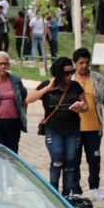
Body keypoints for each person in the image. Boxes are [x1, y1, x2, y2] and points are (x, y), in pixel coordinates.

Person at [26, 56, 85, 196]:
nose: (70, 76)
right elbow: (29, 99)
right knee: (57, 158)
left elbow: (86, 105)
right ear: (58, 72)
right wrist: (47, 88)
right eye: (66, 73)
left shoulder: (75, 86)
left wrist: (80, 108)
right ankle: (53, 192)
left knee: (71, 161)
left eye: (72, 72)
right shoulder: (48, 84)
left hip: (72, 128)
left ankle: (66, 194)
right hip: (54, 128)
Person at [71, 47, 104, 198]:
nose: (84, 66)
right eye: (81, 62)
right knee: (74, 159)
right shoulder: (70, 79)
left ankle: (95, 187)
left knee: (94, 159)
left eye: (87, 63)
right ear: (75, 63)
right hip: (74, 127)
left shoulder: (97, 78)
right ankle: (75, 190)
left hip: (94, 126)